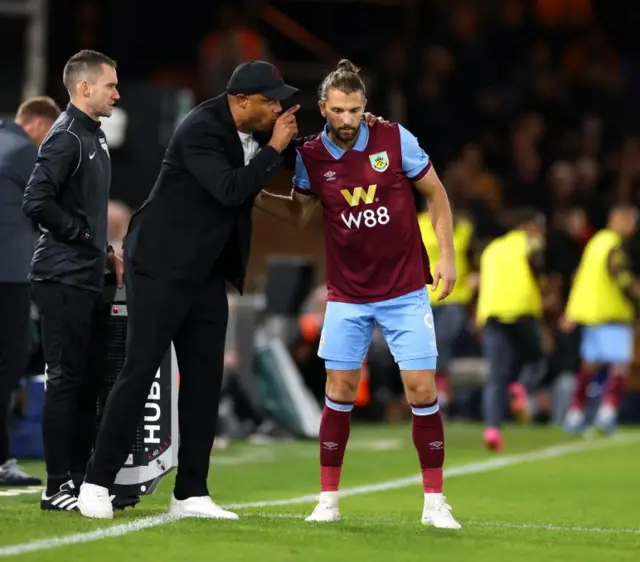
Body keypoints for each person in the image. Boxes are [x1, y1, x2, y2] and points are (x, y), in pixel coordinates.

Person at [77, 60, 383, 520]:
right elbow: (229, 189)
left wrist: (353, 132)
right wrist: (275, 147)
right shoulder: (200, 128)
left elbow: (301, 153)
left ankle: (191, 493)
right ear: (242, 101)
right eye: (270, 101)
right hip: (160, 265)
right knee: (139, 370)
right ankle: (96, 483)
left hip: (204, 272)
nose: (278, 108)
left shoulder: (254, 132)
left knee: (204, 381)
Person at [254, 59, 461, 529]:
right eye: (338, 110)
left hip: (406, 288)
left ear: (365, 106)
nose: (347, 119)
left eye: (354, 110)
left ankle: (434, 502)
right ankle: (327, 500)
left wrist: (446, 256)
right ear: (323, 107)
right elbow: (300, 215)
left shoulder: (393, 138)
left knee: (421, 388)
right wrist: (252, 194)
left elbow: (437, 193)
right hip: (347, 293)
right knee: (339, 390)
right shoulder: (311, 156)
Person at [22, 50, 123, 511]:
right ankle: (55, 485)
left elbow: (79, 207)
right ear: (85, 88)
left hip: (85, 274)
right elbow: (36, 201)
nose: (117, 93)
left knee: (86, 382)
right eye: (110, 85)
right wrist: (84, 236)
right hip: (60, 275)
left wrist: (102, 251)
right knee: (65, 381)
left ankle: (84, 482)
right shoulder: (65, 136)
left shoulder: (93, 136)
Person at [0, 96, 60, 486]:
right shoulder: (24, 151)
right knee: (10, 361)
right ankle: (2, 460)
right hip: (8, 275)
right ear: (38, 124)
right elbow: (51, 206)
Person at [563, 204, 640, 434]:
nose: (634, 227)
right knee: (620, 365)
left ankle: (575, 413)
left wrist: (572, 311)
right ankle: (607, 413)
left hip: (591, 314)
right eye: (631, 221)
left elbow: (580, 277)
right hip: (611, 314)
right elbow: (620, 275)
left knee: (590, 365)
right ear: (618, 220)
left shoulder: (596, 242)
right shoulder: (612, 246)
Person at [475, 209, 547, 452]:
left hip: (492, 312)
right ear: (528, 225)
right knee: (537, 359)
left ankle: (492, 429)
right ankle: (522, 387)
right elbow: (538, 265)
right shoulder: (530, 241)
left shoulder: (492, 248)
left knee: (495, 377)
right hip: (521, 310)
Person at [418, 206, 477, 411]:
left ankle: (442, 392)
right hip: (425, 297)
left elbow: (474, 254)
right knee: (430, 346)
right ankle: (433, 395)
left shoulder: (463, 227)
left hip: (455, 297)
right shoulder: (417, 223)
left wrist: (476, 274)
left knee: (441, 340)